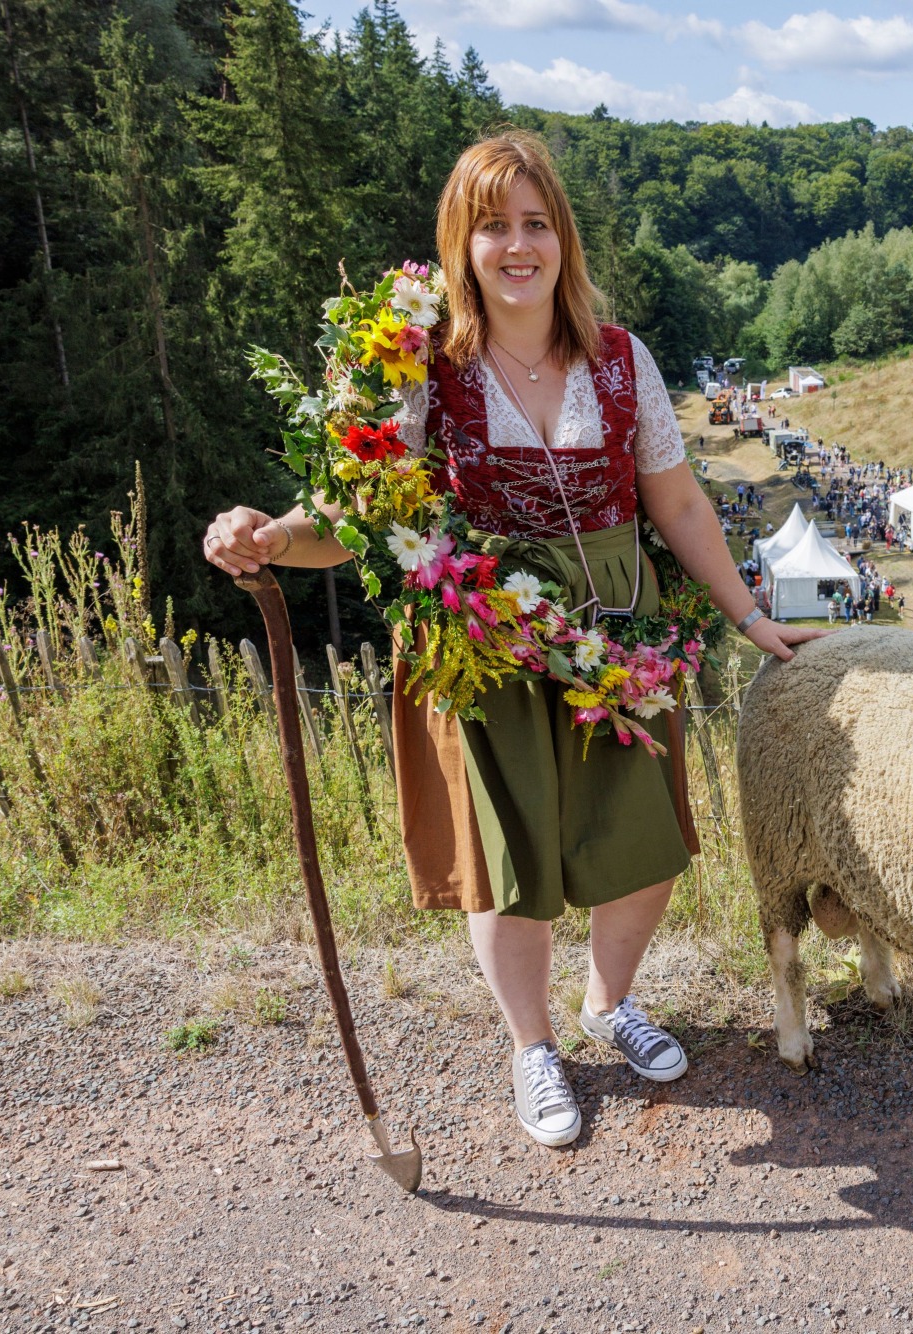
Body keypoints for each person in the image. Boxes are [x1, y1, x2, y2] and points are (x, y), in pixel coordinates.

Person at [202, 131, 825, 1150]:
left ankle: (607, 1001)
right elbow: (354, 515)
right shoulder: (419, 369)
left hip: (616, 625)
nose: (518, 244)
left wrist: (748, 615)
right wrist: (269, 534)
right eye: (494, 225)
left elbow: (674, 500)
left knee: (646, 845)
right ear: (462, 242)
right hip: (481, 636)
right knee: (509, 857)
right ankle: (532, 1043)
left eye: (536, 223)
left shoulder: (621, 358)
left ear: (562, 239)